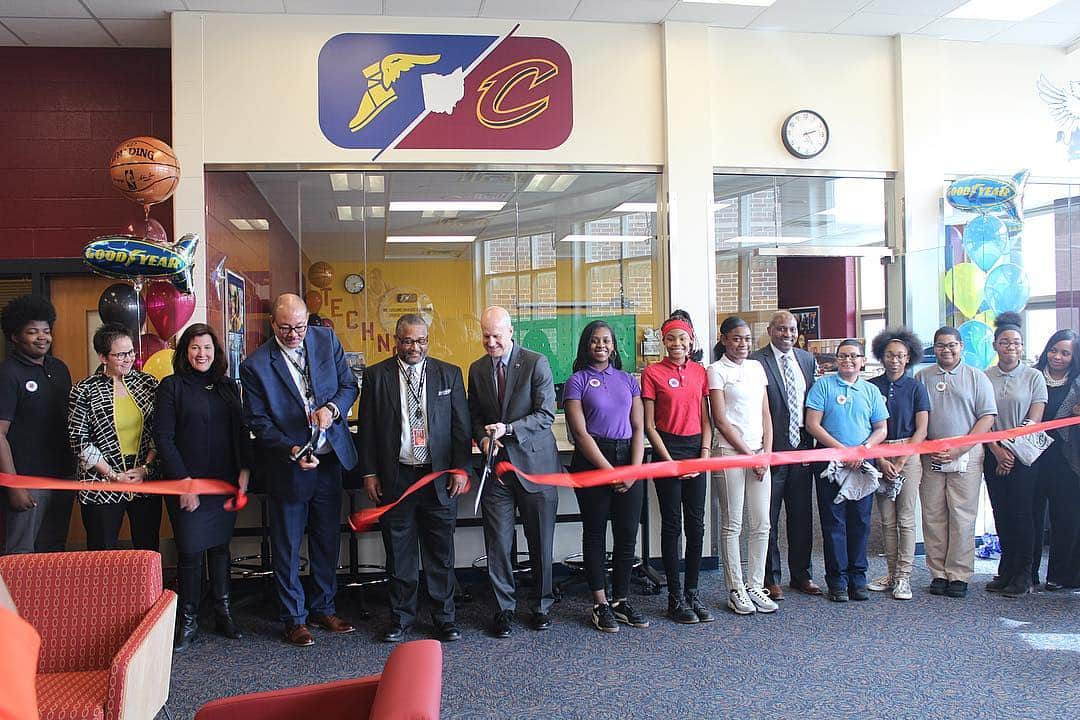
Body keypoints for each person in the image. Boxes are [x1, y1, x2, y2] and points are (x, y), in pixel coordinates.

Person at [240, 293, 359, 647]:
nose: (295, 335)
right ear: (273, 325)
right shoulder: (256, 365)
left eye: (300, 327)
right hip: (289, 465)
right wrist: (292, 449)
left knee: (326, 538)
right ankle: (294, 619)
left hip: (328, 459)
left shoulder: (325, 340)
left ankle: (324, 607)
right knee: (288, 544)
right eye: (287, 328)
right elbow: (259, 422)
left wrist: (333, 410)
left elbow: (348, 386)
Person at [358, 314, 471, 644]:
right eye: (408, 341)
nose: (415, 347)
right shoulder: (376, 376)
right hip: (397, 478)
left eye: (421, 340)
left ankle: (444, 618)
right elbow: (367, 431)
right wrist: (369, 473)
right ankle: (401, 618)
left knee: (440, 553)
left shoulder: (448, 374)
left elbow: (461, 429)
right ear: (396, 340)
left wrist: (461, 469)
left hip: (438, 478)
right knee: (399, 552)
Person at [154, 323, 251, 651]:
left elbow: (240, 432)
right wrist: (184, 482)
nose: (201, 354)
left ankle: (224, 613)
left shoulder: (227, 387)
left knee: (221, 549)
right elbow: (164, 438)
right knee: (191, 550)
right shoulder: (171, 387)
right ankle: (189, 619)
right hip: (187, 484)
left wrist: (244, 472)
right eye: (195, 348)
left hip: (224, 481)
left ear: (216, 352)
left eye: (207, 348)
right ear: (185, 352)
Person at [468, 306, 561, 639]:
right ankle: (504, 608)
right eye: (485, 336)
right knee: (498, 543)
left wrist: (507, 429)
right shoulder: (477, 369)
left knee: (541, 540)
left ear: (511, 332)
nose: (491, 342)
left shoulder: (536, 362)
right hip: (497, 470)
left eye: (496, 336)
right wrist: (482, 439)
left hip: (536, 467)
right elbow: (475, 414)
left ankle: (541, 606)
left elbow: (546, 414)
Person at [563, 320, 648, 633]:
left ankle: (621, 600)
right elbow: (581, 434)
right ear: (587, 346)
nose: (601, 346)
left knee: (627, 533)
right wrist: (610, 472)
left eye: (607, 341)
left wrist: (634, 469)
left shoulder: (628, 380)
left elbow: (638, 428)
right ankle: (599, 603)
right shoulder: (577, 381)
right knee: (596, 533)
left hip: (629, 458)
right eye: (595, 341)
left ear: (614, 346)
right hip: (592, 460)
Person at [641, 311, 713, 624]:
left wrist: (705, 454)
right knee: (672, 526)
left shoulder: (700, 372)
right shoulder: (652, 373)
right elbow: (648, 425)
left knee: (697, 525)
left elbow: (706, 418)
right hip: (666, 451)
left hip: (697, 450)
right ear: (663, 341)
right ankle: (674, 597)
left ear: (691, 340)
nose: (676, 344)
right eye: (670, 338)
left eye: (682, 338)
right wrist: (668, 461)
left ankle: (692, 593)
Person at [916, 326, 997, 599]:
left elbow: (987, 417)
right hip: (932, 454)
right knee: (933, 514)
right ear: (934, 348)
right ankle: (938, 572)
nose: (946, 350)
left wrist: (960, 448)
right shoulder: (922, 376)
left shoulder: (977, 377)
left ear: (961, 346)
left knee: (962, 515)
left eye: (952, 345)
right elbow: (918, 416)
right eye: (940, 345)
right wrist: (930, 447)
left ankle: (959, 573)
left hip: (967, 454)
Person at [805, 339, 888, 602]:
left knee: (861, 522)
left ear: (862, 360)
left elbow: (881, 429)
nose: (848, 360)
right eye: (843, 356)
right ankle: (837, 581)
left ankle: (858, 578)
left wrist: (862, 449)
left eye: (854, 356)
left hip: (863, 464)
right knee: (833, 522)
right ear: (836, 360)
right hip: (831, 463)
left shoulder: (871, 390)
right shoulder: (823, 386)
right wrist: (843, 451)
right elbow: (812, 425)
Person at [749, 310, 822, 599]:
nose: (787, 334)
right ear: (770, 330)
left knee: (802, 516)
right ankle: (771, 578)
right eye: (781, 329)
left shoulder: (806, 359)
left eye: (791, 329)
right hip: (771, 448)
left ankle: (802, 574)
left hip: (802, 449)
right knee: (769, 517)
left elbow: (812, 404)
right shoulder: (756, 361)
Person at [68, 322, 160, 551]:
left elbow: (161, 430)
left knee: (147, 548)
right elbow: (79, 439)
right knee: (103, 551)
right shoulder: (84, 390)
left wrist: (145, 468)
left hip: (141, 476)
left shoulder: (148, 384)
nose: (128, 358)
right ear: (103, 357)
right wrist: (111, 474)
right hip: (101, 479)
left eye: (130, 352)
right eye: (120, 354)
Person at [708, 316, 776, 615]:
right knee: (732, 523)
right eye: (737, 338)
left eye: (747, 338)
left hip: (760, 455)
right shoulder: (716, 370)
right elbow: (720, 420)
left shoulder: (756, 367)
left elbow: (765, 413)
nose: (743, 344)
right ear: (724, 339)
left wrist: (766, 454)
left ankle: (755, 585)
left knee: (762, 523)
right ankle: (736, 587)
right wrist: (749, 454)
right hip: (730, 453)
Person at [0, 295, 74, 555]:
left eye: (46, 331)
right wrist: (14, 485)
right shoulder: (8, 373)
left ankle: (47, 598)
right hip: (27, 480)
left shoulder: (59, 369)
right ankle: (14, 599)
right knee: (21, 553)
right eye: (32, 332)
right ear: (15, 336)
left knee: (54, 549)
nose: (42, 337)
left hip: (63, 476)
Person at [983, 313, 1047, 598]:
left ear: (1022, 347)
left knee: (1022, 514)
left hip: (1024, 457)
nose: (1011, 347)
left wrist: (1009, 450)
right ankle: (1006, 569)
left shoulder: (1034, 376)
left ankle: (1024, 573)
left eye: (1017, 343)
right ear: (996, 345)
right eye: (1005, 342)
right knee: (1001, 512)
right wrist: (996, 451)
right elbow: (984, 419)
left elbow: (1034, 419)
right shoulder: (984, 377)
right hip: (993, 453)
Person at [866, 328, 930, 601]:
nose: (894, 360)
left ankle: (904, 577)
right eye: (890, 355)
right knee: (886, 520)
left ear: (908, 358)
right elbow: (865, 425)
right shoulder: (871, 386)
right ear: (882, 356)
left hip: (909, 454)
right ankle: (891, 574)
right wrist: (880, 459)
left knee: (905, 518)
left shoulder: (916, 387)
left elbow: (922, 429)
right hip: (879, 454)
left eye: (900, 356)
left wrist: (903, 458)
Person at [1031, 329, 1080, 590]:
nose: (1057, 357)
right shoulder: (1032, 375)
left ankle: (1061, 575)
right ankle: (1027, 573)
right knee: (1031, 515)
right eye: (1053, 350)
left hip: (1066, 459)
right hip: (1033, 456)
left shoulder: (1078, 382)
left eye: (1065, 353)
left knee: (1066, 517)